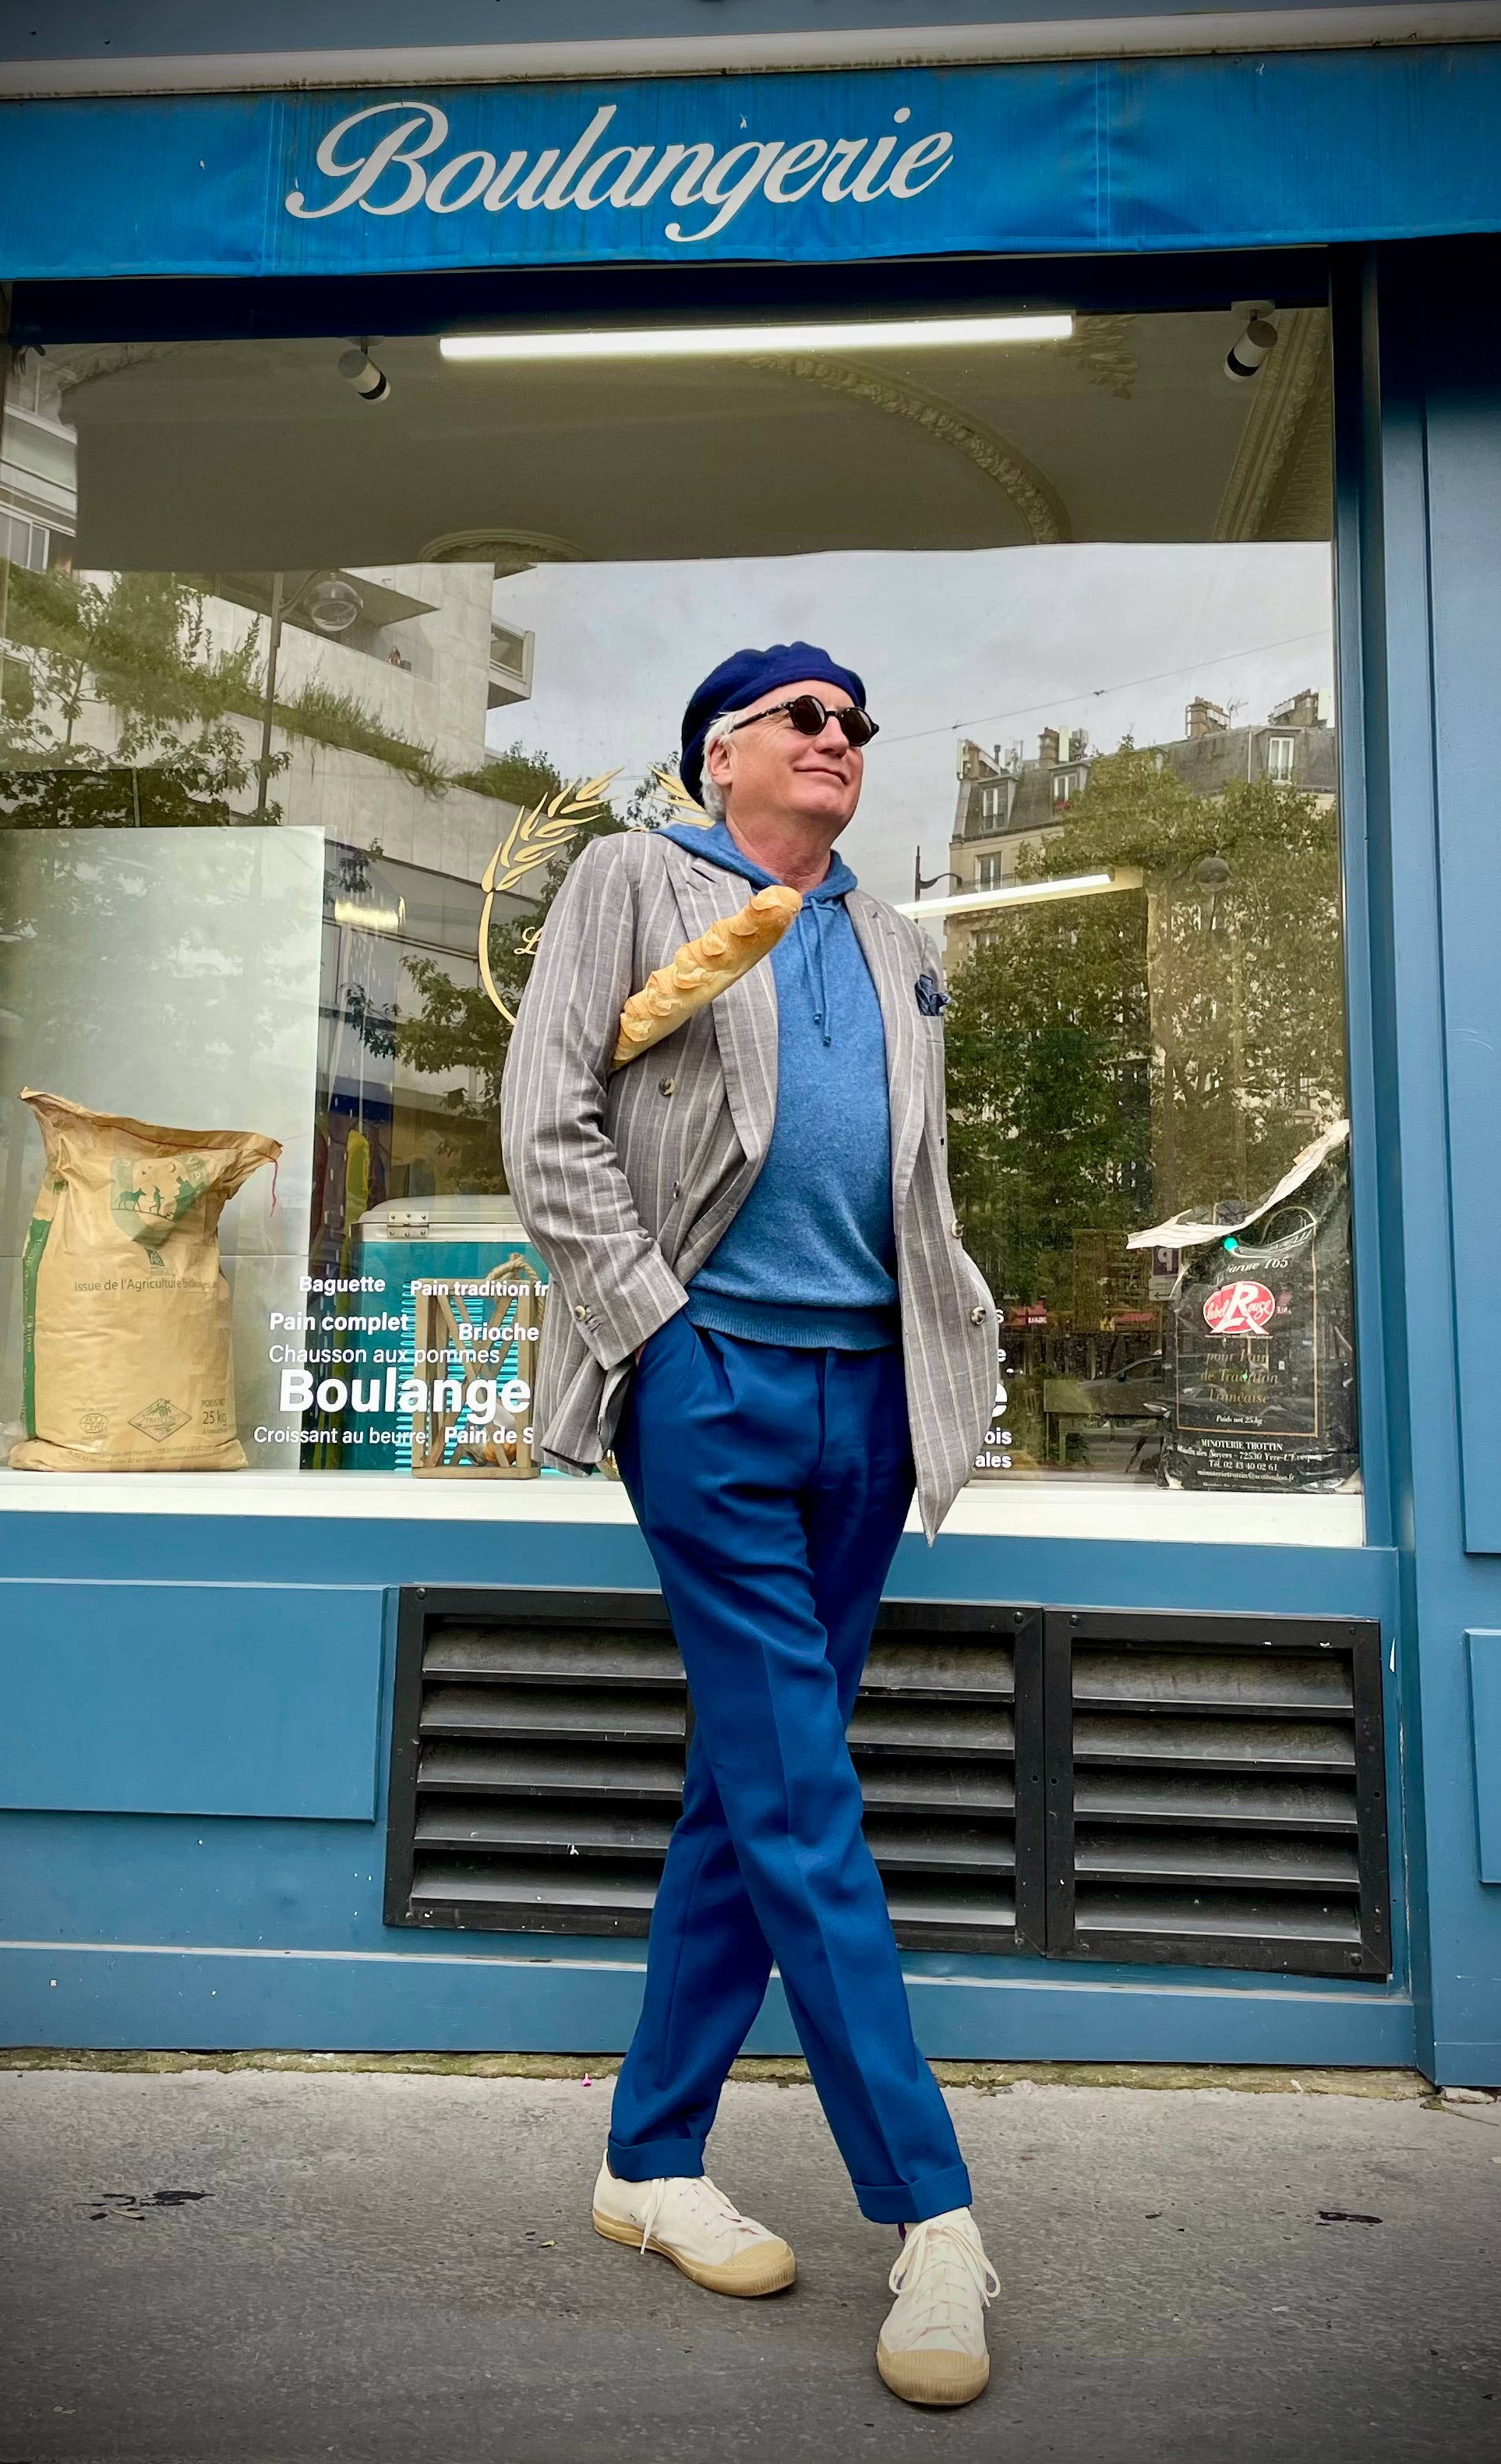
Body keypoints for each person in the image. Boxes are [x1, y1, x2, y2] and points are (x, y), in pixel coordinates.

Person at [502, 644, 1001, 2407]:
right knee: (799, 1786)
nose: (839, 738)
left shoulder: (893, 935)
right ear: (721, 754)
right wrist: (655, 1334)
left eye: (857, 722)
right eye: (804, 717)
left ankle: (648, 2158)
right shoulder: (631, 878)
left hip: (870, 1396)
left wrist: (951, 1351)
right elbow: (545, 1119)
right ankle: (930, 2211)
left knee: (752, 1781)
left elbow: (916, 1177)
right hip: (710, 1381)